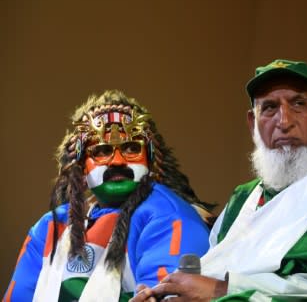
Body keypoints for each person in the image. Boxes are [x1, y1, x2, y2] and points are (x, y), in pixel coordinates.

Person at [130, 59, 307, 301]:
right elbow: (210, 272)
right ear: (252, 123)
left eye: (298, 104)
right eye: (269, 108)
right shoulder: (241, 201)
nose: (284, 121)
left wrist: (222, 291)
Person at [3, 90, 213, 302]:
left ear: (152, 162)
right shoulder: (49, 227)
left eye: (132, 148)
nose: (118, 161)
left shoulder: (168, 215)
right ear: (80, 168)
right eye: (102, 151)